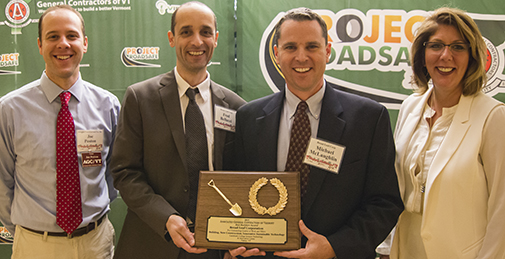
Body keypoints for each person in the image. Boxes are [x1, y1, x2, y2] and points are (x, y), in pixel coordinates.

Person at [229, 7, 403, 259]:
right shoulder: (249, 118)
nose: (301, 57)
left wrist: (334, 247)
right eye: (290, 47)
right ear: (276, 54)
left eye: (312, 46)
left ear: (327, 51)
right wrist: (235, 239)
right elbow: (236, 192)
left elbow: (384, 203)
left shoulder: (368, 118)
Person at [110, 1, 246, 258]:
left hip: (217, 247)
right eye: (186, 32)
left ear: (216, 39)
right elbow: (124, 172)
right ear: (172, 38)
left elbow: (242, 178)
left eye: (205, 32)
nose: (197, 41)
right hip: (154, 240)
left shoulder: (237, 107)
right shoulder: (140, 98)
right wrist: (166, 218)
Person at [380, 7, 505, 259]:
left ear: (472, 57)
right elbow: (396, 189)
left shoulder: (493, 116)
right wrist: (385, 248)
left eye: (458, 47)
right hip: (405, 250)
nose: (446, 56)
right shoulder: (410, 107)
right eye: (436, 45)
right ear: (422, 54)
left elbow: (502, 208)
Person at [0, 5, 119, 259]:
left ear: (84, 43)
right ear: (40, 44)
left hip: (95, 244)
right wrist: (26, 231)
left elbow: (115, 174)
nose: (63, 44)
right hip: (35, 246)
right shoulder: (9, 109)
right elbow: (2, 182)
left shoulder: (108, 106)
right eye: (53, 36)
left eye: (72, 36)